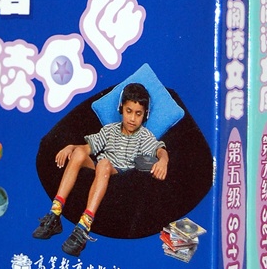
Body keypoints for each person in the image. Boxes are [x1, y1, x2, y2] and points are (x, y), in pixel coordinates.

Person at [32, 82, 169, 257]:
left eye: (138, 114)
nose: (132, 118)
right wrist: (71, 147)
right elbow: (88, 148)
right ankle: (55, 213)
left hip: (118, 173)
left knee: (103, 163)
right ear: (121, 108)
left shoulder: (144, 136)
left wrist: (163, 161)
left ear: (145, 115)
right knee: (80, 153)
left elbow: (159, 149)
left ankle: (84, 226)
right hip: (99, 169)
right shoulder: (110, 130)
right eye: (129, 111)